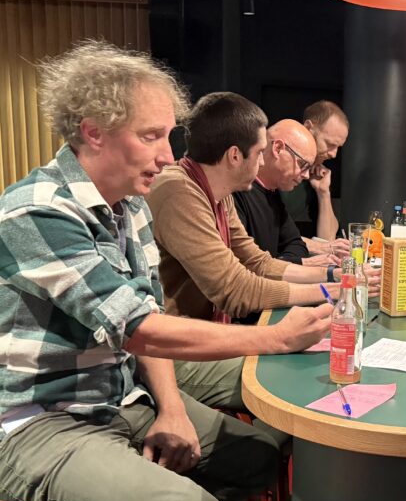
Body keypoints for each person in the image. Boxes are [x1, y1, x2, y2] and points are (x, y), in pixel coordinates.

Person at [0, 41, 332, 501]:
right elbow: (138, 327)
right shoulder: (36, 210)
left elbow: (146, 317)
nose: (167, 153)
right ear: (94, 131)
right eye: (151, 135)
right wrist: (276, 339)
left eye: (167, 134)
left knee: (260, 459)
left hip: (114, 396)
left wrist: (173, 408)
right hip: (32, 422)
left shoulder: (131, 205)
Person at [149, 95, 377, 341]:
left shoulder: (219, 193)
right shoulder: (179, 190)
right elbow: (237, 290)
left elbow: (260, 263)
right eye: (259, 152)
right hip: (182, 343)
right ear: (235, 156)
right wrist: (332, 289)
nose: (261, 162)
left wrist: (336, 276)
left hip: (213, 330)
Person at [233, 119, 333, 265]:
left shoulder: (273, 194)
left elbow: (296, 244)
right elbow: (246, 264)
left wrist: (280, 264)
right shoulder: (235, 191)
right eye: (302, 164)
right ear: (278, 149)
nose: (306, 175)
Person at [282, 100, 350, 258]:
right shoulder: (277, 168)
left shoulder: (314, 173)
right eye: (329, 144)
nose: (333, 154)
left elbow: (327, 239)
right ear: (307, 128)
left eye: (338, 147)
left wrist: (323, 192)